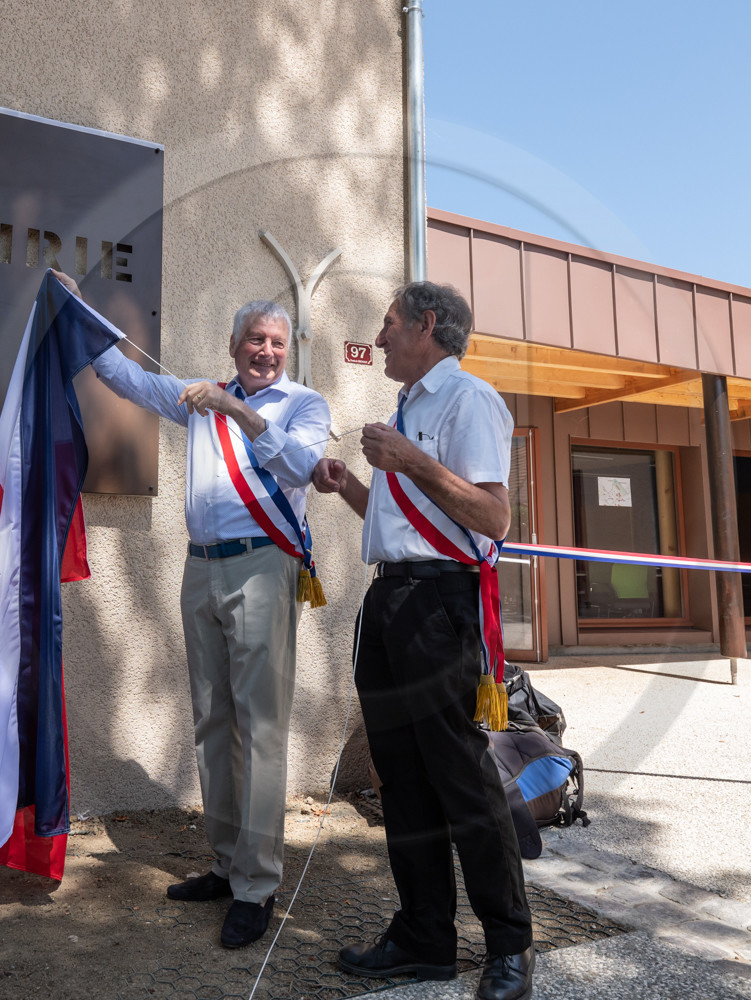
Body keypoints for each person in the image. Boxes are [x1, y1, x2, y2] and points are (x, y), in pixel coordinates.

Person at [52, 271, 331, 949]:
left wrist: (233, 411)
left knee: (260, 729)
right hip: (201, 568)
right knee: (213, 721)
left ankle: (259, 887)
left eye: (276, 342)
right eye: (255, 341)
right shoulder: (202, 394)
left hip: (265, 566)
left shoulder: (304, 403)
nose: (266, 351)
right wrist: (73, 305)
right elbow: (125, 376)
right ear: (234, 347)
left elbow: (300, 468)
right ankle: (227, 864)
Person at [312, 281, 534, 1000]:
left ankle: (508, 946)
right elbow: (401, 520)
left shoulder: (470, 402)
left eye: (388, 325)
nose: (378, 339)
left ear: (426, 326)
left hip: (440, 604)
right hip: (391, 602)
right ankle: (425, 936)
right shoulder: (409, 408)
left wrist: (411, 460)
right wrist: (352, 486)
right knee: (399, 777)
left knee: (461, 777)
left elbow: (493, 517)